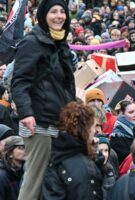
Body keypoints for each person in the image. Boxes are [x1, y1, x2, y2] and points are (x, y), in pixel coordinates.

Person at [11, 0, 76, 199]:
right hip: (38, 122)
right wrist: (27, 113)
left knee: (48, 180)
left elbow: (63, 85)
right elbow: (19, 81)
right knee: (35, 181)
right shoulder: (32, 42)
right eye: (53, 12)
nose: (59, 16)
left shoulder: (59, 42)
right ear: (43, 15)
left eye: (62, 12)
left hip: (56, 120)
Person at [42, 102, 103, 200]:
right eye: (93, 126)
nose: (95, 130)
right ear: (85, 129)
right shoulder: (81, 163)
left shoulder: (56, 155)